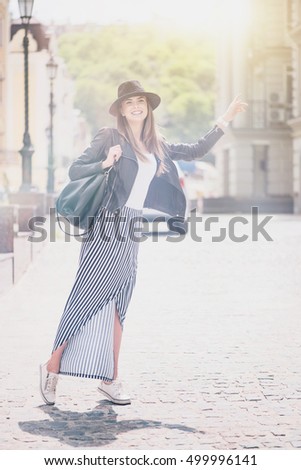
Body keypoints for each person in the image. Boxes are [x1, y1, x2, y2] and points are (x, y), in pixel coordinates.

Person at [39, 80, 248, 406]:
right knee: (86, 298)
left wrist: (226, 117)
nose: (135, 106)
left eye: (140, 101)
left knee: (120, 302)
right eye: (128, 102)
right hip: (106, 227)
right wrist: (105, 162)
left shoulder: (156, 144)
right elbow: (75, 169)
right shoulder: (109, 137)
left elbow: (195, 149)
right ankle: (52, 368)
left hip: (132, 229)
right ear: (121, 109)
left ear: (147, 107)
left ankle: (109, 379)